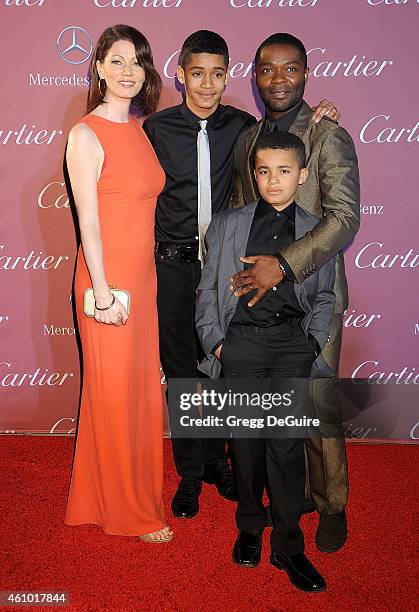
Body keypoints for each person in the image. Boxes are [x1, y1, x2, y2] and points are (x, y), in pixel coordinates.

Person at [143, 30, 340, 520]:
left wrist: (322, 114)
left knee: (227, 367)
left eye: (216, 73)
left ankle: (224, 463)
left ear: (229, 75)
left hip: (231, 267)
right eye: (196, 73)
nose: (207, 84)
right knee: (186, 371)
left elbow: (288, 144)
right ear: (180, 74)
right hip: (173, 263)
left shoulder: (245, 128)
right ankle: (192, 472)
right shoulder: (156, 129)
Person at [230, 33, 360, 552]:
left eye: (289, 69)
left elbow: (345, 218)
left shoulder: (329, 135)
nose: (277, 79)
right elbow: (242, 213)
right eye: (266, 70)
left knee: (318, 403)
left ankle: (332, 505)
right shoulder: (248, 139)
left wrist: (283, 265)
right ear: (255, 76)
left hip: (314, 295)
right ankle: (294, 494)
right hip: (260, 297)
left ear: (305, 73)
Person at [195, 131, 336, 592]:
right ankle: (250, 528)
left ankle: (289, 545)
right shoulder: (226, 224)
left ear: (302, 174)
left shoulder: (317, 230)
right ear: (253, 175)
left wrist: (313, 344)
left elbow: (326, 296)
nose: (272, 181)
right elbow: (208, 290)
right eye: (263, 171)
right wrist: (217, 344)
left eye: (283, 171)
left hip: (292, 347)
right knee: (248, 443)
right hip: (242, 345)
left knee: (287, 446)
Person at [65, 25, 172, 543]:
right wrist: (103, 291)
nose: (130, 71)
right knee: (112, 394)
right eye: (118, 60)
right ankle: (128, 513)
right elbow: (88, 221)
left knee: (132, 394)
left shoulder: (137, 129)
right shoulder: (85, 134)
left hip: (142, 281)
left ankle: (94, 496)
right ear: (100, 68)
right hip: (106, 282)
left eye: (138, 62)